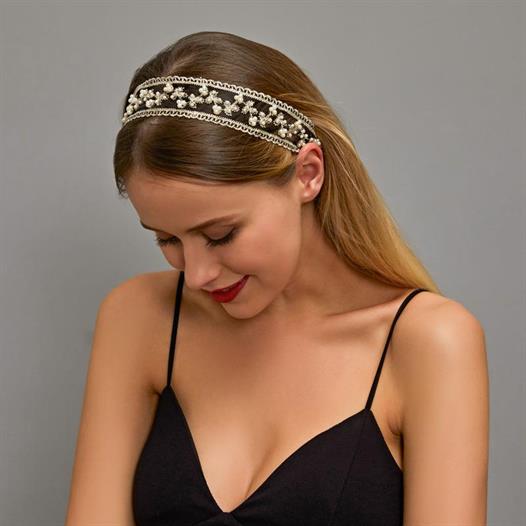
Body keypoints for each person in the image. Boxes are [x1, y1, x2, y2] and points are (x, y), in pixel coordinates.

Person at [65, 31, 489, 525]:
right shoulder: (140, 318)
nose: (197, 275)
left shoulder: (428, 344)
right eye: (167, 240)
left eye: (220, 235)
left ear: (308, 173)